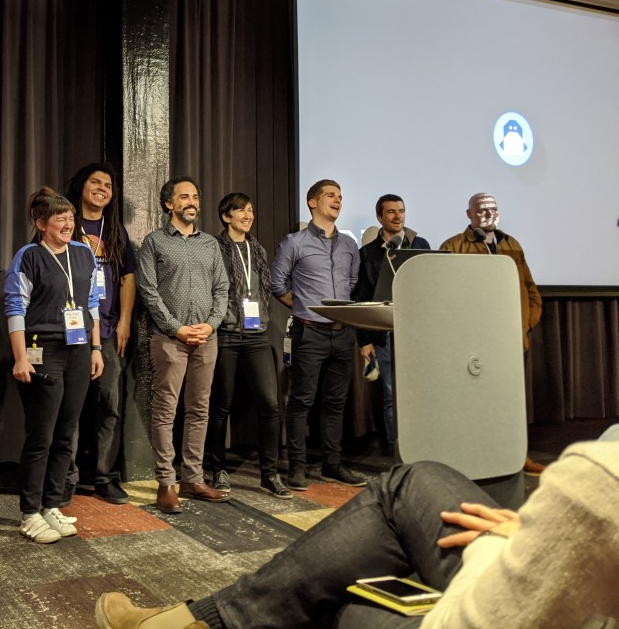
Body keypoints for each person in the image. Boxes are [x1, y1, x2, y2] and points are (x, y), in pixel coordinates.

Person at [94, 436, 619, 629]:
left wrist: (517, 546)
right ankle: (213, 619)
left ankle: (211, 620)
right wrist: (536, 532)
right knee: (415, 481)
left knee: (348, 598)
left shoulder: (597, 480)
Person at [4, 187, 104, 543]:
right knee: (41, 436)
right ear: (41, 223)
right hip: (42, 349)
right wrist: (20, 357)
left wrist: (96, 348)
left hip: (79, 349)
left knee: (66, 433)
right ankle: (30, 513)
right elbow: (15, 307)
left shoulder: (83, 253)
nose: (67, 223)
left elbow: (92, 302)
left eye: (70, 218)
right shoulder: (29, 256)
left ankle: (51, 504)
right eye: (59, 218)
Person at [137, 176, 230, 514]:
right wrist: (176, 329)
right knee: (166, 411)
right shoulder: (154, 242)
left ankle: (193, 478)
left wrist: (211, 324)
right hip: (169, 340)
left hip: (206, 338)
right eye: (184, 197)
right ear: (169, 204)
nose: (192, 202)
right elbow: (148, 292)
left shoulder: (210, 244)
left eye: (195, 197)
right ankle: (166, 483)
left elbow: (222, 288)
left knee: (199, 409)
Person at [270, 179, 365, 491]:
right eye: (330, 195)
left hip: (343, 334)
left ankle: (332, 465)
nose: (337, 200)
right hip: (309, 332)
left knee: (336, 403)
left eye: (340, 196)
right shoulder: (294, 242)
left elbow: (352, 282)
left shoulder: (349, 245)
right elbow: (277, 284)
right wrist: (302, 307)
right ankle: (297, 466)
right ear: (312, 202)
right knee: (302, 401)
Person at [440, 192, 544, 475]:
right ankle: (472, 461)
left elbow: (531, 290)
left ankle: (517, 458)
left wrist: (526, 325)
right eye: (482, 209)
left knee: (510, 405)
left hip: (511, 343)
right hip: (474, 344)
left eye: (493, 209)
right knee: (473, 404)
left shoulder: (512, 244)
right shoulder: (453, 246)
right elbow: (445, 295)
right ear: (469, 214)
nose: (489, 214)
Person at [206, 193, 290, 499]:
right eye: (241, 210)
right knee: (221, 406)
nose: (248, 215)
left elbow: (263, 287)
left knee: (270, 405)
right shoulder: (214, 247)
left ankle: (269, 474)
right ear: (226, 216)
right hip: (226, 333)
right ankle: (218, 469)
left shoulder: (257, 248)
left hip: (257, 334)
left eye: (251, 210)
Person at [63, 163, 136, 505]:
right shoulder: (64, 222)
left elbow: (127, 277)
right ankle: (66, 478)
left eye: (108, 185)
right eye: (95, 181)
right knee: (70, 408)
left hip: (106, 331)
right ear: (82, 185)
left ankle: (104, 476)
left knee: (110, 405)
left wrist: (124, 321)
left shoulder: (115, 230)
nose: (102, 188)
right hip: (70, 333)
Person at [351, 194, 430, 452]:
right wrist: (364, 341)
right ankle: (398, 450)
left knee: (420, 391)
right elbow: (361, 298)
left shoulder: (420, 244)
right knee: (391, 394)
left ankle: (422, 445)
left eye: (401, 211)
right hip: (383, 335)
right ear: (380, 217)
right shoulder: (367, 254)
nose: (398, 216)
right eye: (391, 212)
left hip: (416, 333)